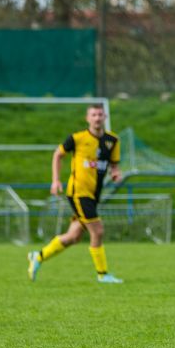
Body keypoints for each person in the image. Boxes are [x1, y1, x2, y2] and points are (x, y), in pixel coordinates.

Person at [27, 103, 124, 284]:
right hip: (78, 192)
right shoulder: (77, 138)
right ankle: (103, 274)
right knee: (98, 230)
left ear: (105, 118)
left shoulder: (113, 141)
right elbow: (58, 154)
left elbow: (114, 165)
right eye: (93, 115)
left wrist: (116, 172)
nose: (97, 118)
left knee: (73, 237)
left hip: (94, 195)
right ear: (87, 118)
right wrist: (55, 180)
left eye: (100, 114)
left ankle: (38, 257)